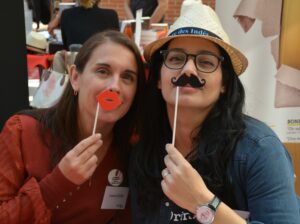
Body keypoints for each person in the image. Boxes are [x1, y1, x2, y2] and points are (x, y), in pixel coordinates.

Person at [129, 0, 300, 223]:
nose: (188, 69)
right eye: (176, 59)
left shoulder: (260, 150)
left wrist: (202, 201)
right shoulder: (145, 153)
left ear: (224, 84)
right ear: (159, 80)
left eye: (206, 62)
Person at [0, 30, 146, 223]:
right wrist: (59, 182)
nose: (115, 86)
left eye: (127, 77)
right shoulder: (22, 132)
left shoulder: (132, 148)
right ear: (75, 78)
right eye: (103, 71)